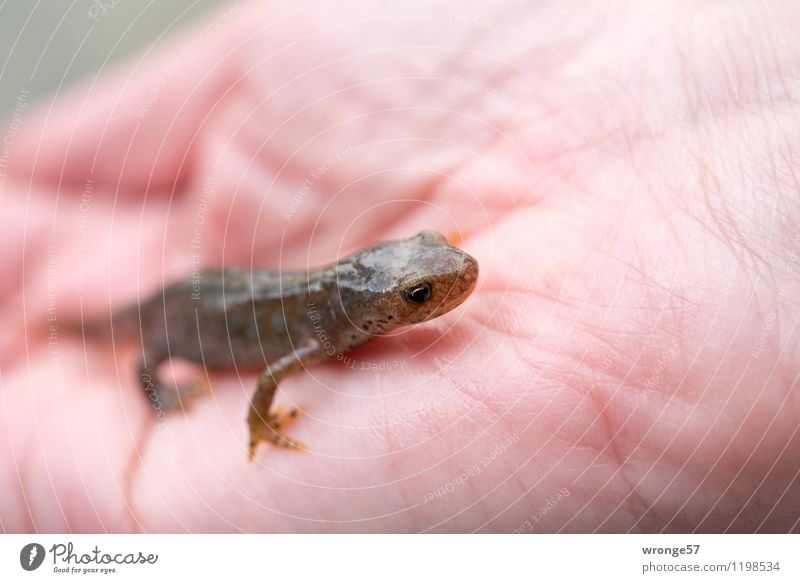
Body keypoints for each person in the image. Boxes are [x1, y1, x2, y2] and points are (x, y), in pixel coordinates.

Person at [1, 0, 797, 532]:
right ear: (376, 304)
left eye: (424, 280)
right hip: (180, 313)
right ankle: (107, 352)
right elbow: (273, 371)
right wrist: (250, 417)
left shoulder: (342, 308)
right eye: (422, 293)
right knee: (148, 344)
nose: (451, 284)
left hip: (219, 291)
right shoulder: (316, 330)